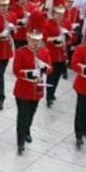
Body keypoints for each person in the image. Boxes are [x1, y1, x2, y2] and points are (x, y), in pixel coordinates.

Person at [12, 11, 52, 155]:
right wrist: (29, 73)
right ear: (28, 39)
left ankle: (27, 130)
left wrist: (44, 68)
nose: (35, 43)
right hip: (23, 89)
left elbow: (50, 69)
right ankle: (20, 141)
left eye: (38, 41)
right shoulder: (21, 52)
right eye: (33, 40)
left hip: (37, 90)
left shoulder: (44, 52)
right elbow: (16, 70)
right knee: (22, 116)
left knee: (31, 113)